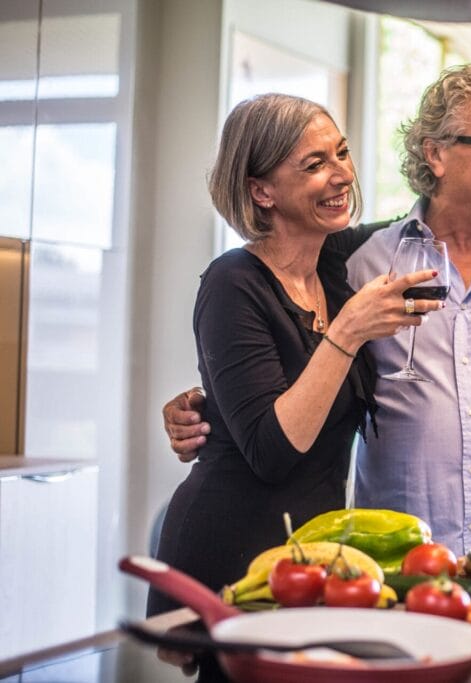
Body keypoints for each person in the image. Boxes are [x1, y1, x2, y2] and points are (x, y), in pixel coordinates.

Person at [165, 64, 471, 556]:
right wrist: (210, 412)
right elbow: (267, 351)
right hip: (403, 569)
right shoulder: (359, 263)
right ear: (435, 154)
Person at [147, 92, 447, 616]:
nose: (341, 174)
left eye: (341, 152)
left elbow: (436, 219)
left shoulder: (335, 265)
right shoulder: (232, 282)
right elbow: (272, 452)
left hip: (311, 555)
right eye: (314, 165)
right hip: (230, 549)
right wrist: (346, 334)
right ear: (261, 190)